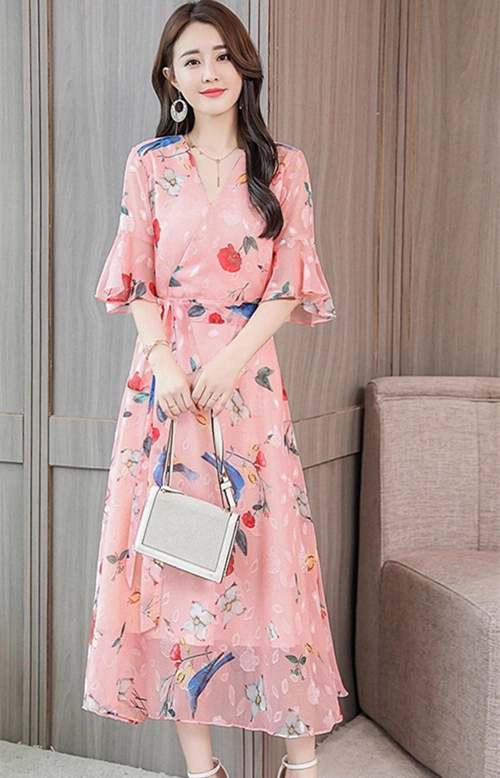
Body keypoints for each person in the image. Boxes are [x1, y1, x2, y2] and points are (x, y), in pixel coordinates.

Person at [82, 2, 349, 777]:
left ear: (244, 67)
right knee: (177, 562)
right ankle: (204, 771)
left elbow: (290, 285)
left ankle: (302, 765)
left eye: (223, 57)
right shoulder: (149, 164)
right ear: (171, 77)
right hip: (164, 392)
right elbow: (134, 278)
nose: (210, 73)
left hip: (249, 384)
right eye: (192, 60)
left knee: (270, 558)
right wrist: (165, 362)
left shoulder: (283, 167)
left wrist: (230, 363)